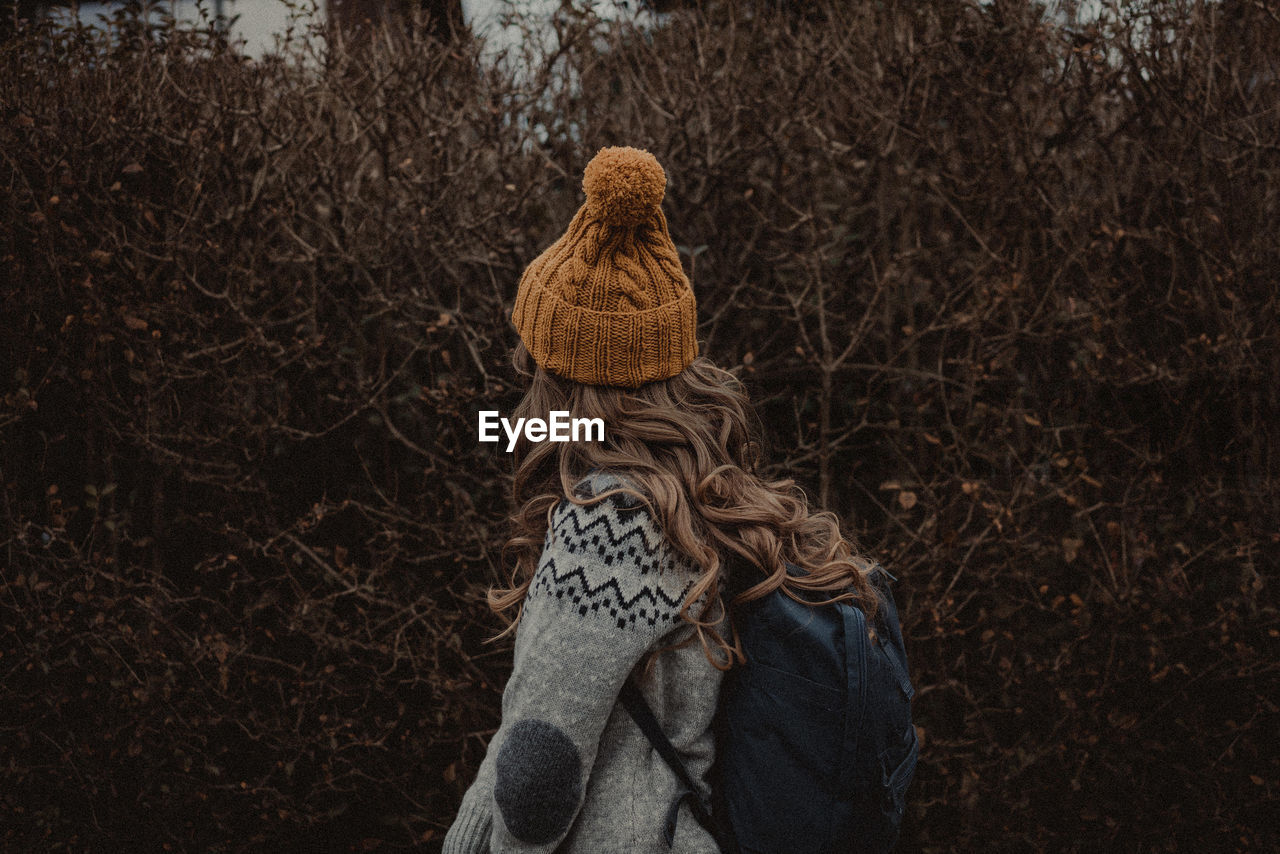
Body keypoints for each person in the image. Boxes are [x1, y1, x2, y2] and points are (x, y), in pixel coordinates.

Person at [442, 146, 881, 854]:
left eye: (535, 358)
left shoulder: (608, 527)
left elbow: (538, 775)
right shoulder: (707, 495)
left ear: (565, 377)